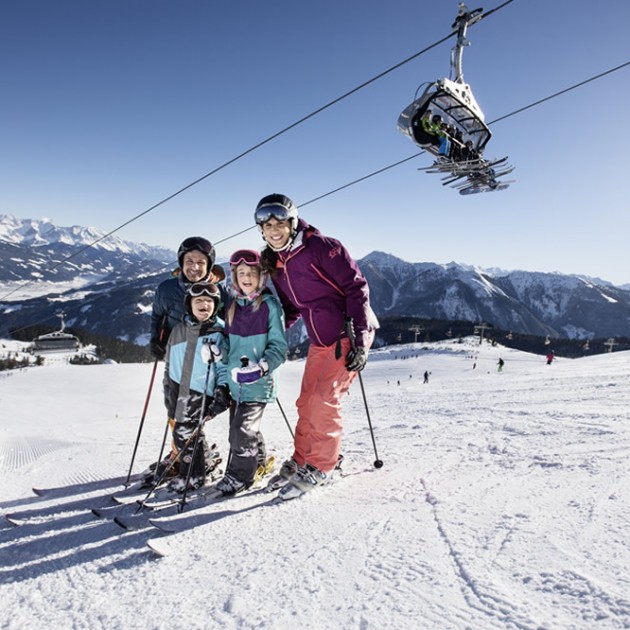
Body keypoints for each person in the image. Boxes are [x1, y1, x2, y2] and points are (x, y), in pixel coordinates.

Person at [255, 193, 379, 499]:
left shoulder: (323, 247)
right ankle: (303, 459)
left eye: (279, 222)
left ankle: (324, 464)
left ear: (292, 222)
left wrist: (360, 341)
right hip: (321, 339)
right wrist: (270, 337)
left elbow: (357, 288)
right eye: (266, 224)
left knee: (324, 400)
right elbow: (292, 309)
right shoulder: (276, 261)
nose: (274, 229)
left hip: (347, 332)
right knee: (306, 400)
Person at [147, 236, 227, 482]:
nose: (194, 267)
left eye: (200, 262)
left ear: (209, 264)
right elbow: (157, 317)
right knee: (174, 411)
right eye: (189, 261)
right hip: (176, 359)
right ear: (181, 262)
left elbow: (227, 325)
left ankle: (189, 460)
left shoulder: (219, 292)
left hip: (204, 366)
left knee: (192, 416)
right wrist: (155, 340)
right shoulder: (167, 289)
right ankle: (183, 454)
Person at [213, 249, 288, 496]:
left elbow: (279, 347)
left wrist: (263, 367)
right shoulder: (233, 306)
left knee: (241, 430)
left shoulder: (269, 306)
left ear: (261, 277)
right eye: (241, 273)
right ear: (234, 277)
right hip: (237, 384)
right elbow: (228, 343)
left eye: (251, 273)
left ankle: (239, 477)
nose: (246, 278)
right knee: (243, 428)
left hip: (258, 383)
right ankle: (257, 462)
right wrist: (218, 351)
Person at [163, 282, 230, 492]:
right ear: (189, 305)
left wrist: (223, 390)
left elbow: (224, 365)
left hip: (202, 391)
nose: (204, 304)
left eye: (209, 301)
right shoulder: (178, 331)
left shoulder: (218, 332)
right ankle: (203, 463)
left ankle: (194, 475)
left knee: (186, 433)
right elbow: (170, 363)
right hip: (179, 390)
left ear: (216, 305)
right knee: (184, 433)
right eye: (198, 301)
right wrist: (168, 388)